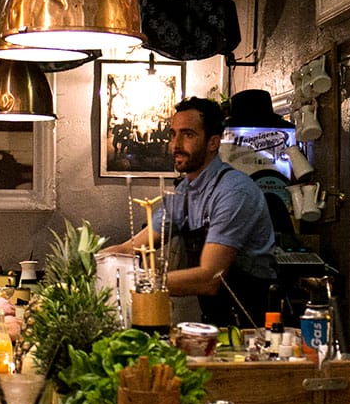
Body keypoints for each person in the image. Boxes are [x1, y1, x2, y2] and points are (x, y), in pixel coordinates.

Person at [104, 96, 278, 327]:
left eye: (188, 135)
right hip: (217, 323)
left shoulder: (234, 191)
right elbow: (134, 247)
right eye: (173, 134)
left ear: (213, 143)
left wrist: (140, 283)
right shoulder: (185, 191)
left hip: (254, 326)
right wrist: (93, 262)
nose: (175, 145)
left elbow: (209, 277)